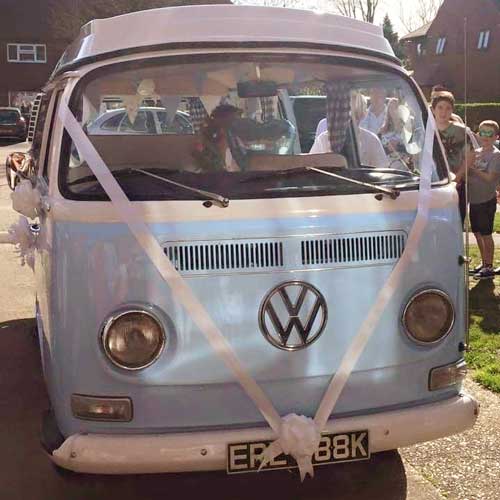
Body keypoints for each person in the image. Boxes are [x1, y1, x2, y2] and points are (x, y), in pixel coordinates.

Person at [310, 93, 389, 168]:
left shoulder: (371, 140)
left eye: (356, 116)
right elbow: (312, 170)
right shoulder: (323, 140)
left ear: (363, 115)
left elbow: (382, 174)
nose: (348, 122)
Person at [431, 90, 473, 223]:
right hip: (433, 185)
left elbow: (471, 156)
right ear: (433, 109)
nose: (444, 112)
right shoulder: (425, 131)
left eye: (448, 108)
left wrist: (457, 178)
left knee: (456, 222)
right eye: (440, 107)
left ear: (452, 110)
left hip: (457, 185)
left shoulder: (461, 131)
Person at [467, 120, 500, 279]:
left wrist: (472, 169)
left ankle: (489, 266)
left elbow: (490, 178)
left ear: (496, 137)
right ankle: (483, 262)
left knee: (486, 234)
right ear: (478, 135)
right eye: (483, 133)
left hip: (487, 200)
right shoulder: (476, 152)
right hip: (474, 200)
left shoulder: (496, 154)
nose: (486, 136)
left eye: (490, 134)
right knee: (477, 233)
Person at [192, 104, 243, 172]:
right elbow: (200, 158)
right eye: (233, 120)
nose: (237, 123)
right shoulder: (204, 138)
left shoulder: (234, 138)